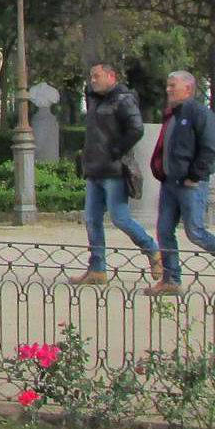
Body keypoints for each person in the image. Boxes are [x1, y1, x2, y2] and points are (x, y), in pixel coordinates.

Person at [144, 71, 215, 295]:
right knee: (164, 230)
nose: (168, 89)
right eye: (168, 85)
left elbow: (209, 150)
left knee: (195, 232)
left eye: (173, 86)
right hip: (170, 183)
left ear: (188, 89)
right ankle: (171, 280)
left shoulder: (200, 113)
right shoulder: (173, 114)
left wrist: (195, 176)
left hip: (190, 184)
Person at [72, 63, 160, 285]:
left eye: (97, 76)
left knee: (120, 218)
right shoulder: (95, 100)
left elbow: (136, 129)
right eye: (91, 76)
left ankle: (153, 250)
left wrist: (117, 150)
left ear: (111, 76)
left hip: (114, 170)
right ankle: (97, 268)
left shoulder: (123, 99)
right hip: (94, 170)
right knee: (92, 219)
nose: (93, 80)